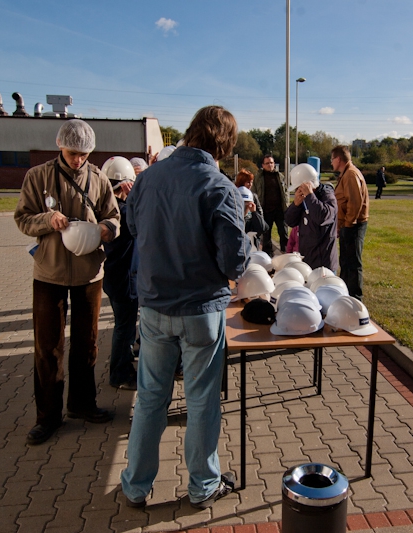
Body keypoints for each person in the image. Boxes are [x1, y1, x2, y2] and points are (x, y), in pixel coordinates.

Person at [121, 105, 251, 510]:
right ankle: (202, 484)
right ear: (224, 145)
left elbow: (132, 226)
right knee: (201, 400)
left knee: (150, 398)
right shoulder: (219, 186)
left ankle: (135, 485)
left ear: (192, 132)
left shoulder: (149, 178)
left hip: (156, 306)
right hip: (199, 310)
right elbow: (234, 263)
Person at [15, 119, 120, 446]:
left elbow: (114, 217)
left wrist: (106, 228)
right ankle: (47, 417)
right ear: (60, 145)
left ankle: (82, 404)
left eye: (84, 154)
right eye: (73, 153)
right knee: (48, 346)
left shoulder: (99, 178)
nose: (78, 160)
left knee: (87, 342)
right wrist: (48, 219)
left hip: (89, 272)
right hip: (50, 273)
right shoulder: (38, 176)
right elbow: (22, 218)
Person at [102, 157, 139, 390]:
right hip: (124, 280)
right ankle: (120, 373)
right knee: (124, 329)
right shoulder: (124, 213)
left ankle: (120, 368)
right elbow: (142, 221)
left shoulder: (107, 209)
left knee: (122, 326)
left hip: (114, 278)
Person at [331, 145, 369, 300]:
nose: (331, 163)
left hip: (353, 226)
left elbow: (354, 203)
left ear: (338, 159)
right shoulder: (345, 174)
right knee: (345, 262)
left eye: (332, 159)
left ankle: (354, 298)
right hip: (348, 225)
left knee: (353, 263)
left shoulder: (351, 175)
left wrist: (347, 225)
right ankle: (345, 295)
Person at [284, 176, 338, 271]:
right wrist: (295, 205)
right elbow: (290, 221)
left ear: (307, 185)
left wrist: (310, 196)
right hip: (307, 259)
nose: (297, 191)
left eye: (299, 188)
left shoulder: (326, 195)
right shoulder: (305, 198)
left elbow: (323, 217)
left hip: (323, 263)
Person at [252, 154, 289, 257]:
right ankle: (268, 256)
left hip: (279, 210)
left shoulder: (280, 176)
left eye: (271, 163)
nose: (270, 165)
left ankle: (285, 253)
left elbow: (285, 191)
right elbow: (254, 192)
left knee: (283, 232)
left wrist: (286, 205)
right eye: (267, 163)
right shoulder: (258, 177)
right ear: (263, 165)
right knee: (266, 234)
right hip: (266, 210)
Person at [236, 169, 267, 249]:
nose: (250, 185)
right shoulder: (235, 193)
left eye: (251, 182)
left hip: (251, 230)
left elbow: (261, 223)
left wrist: (255, 213)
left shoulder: (253, 196)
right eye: (248, 182)